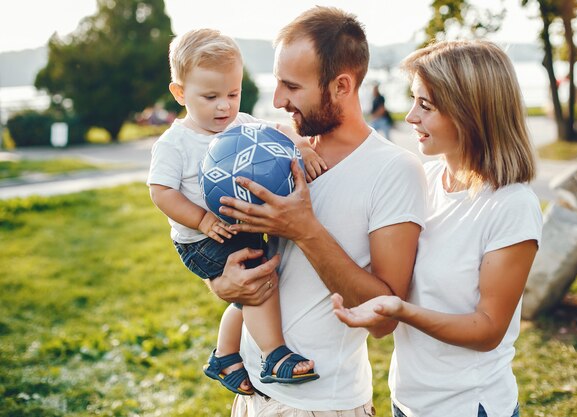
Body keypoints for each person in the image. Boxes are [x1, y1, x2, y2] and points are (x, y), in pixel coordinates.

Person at [210, 6, 428, 416]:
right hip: (252, 393)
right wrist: (223, 286)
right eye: (277, 83)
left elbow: (384, 319)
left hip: (322, 405)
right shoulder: (275, 149)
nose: (277, 100)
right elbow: (232, 249)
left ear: (342, 85)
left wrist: (305, 230)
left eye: (291, 86)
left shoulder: (394, 170)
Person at [332, 40, 543, 417]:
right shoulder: (423, 179)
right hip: (407, 400)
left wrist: (402, 310)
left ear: (470, 111)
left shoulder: (511, 205)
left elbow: (488, 329)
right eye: (413, 101)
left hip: (466, 406)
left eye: (425, 106)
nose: (411, 116)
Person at [147, 28, 326, 397]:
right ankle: (274, 355)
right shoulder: (175, 143)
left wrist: (301, 148)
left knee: (253, 287)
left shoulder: (240, 126)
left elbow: (277, 130)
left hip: (236, 228)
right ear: (180, 93)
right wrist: (202, 219)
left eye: (233, 93)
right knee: (258, 286)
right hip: (201, 240)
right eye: (210, 96)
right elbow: (160, 192)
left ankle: (224, 356)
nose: (224, 106)